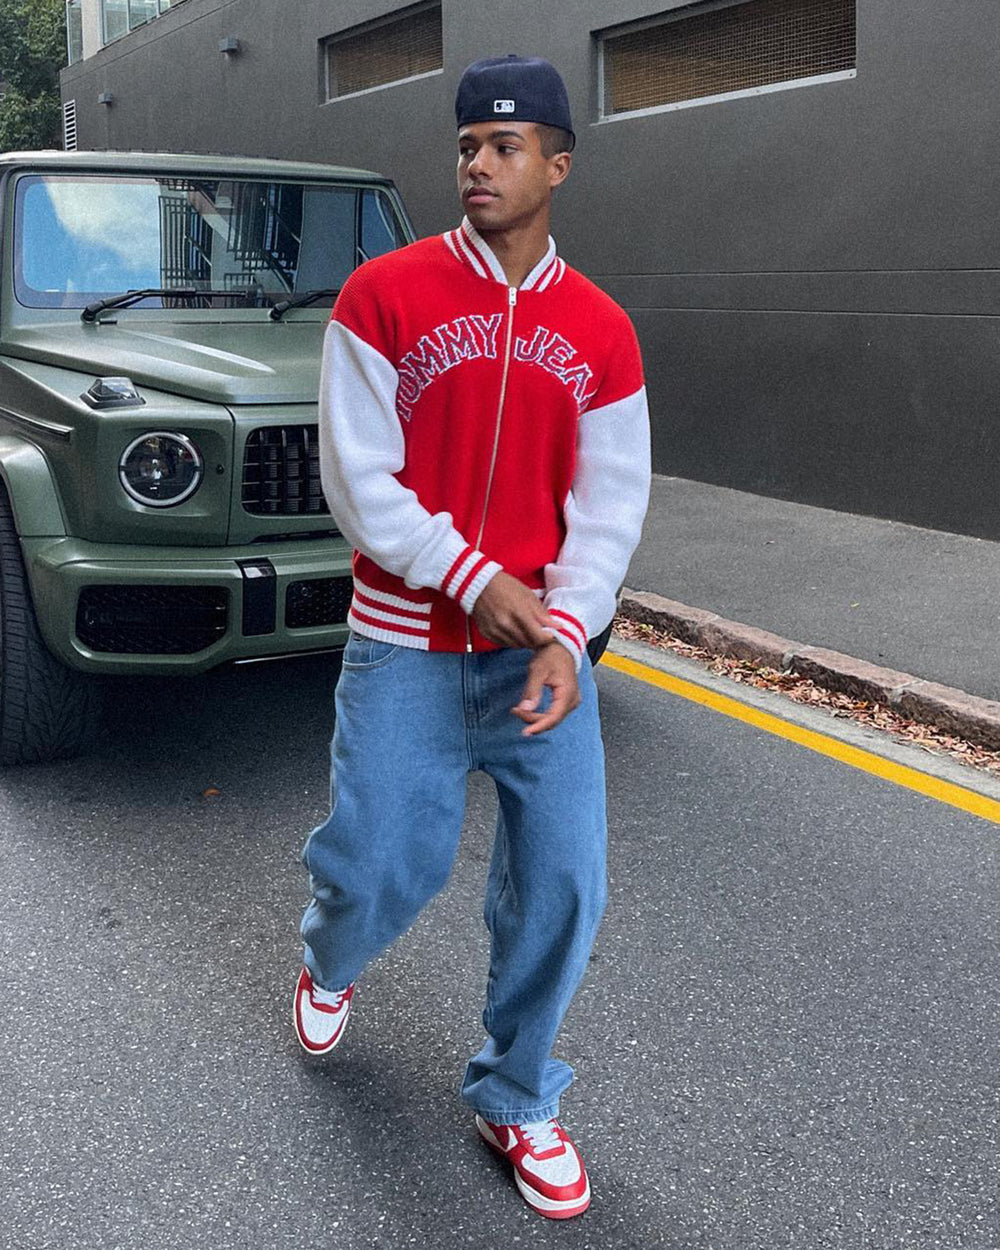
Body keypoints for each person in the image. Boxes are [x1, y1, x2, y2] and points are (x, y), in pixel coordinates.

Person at [295, 54, 651, 1221]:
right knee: (378, 863)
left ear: (558, 164)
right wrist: (468, 573)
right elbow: (358, 478)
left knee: (563, 882)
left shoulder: (601, 330)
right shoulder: (383, 296)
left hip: (536, 656)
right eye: (465, 147)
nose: (478, 165)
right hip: (404, 642)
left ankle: (516, 1093)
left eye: (505, 146)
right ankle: (330, 957)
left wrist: (566, 627)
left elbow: (608, 503)